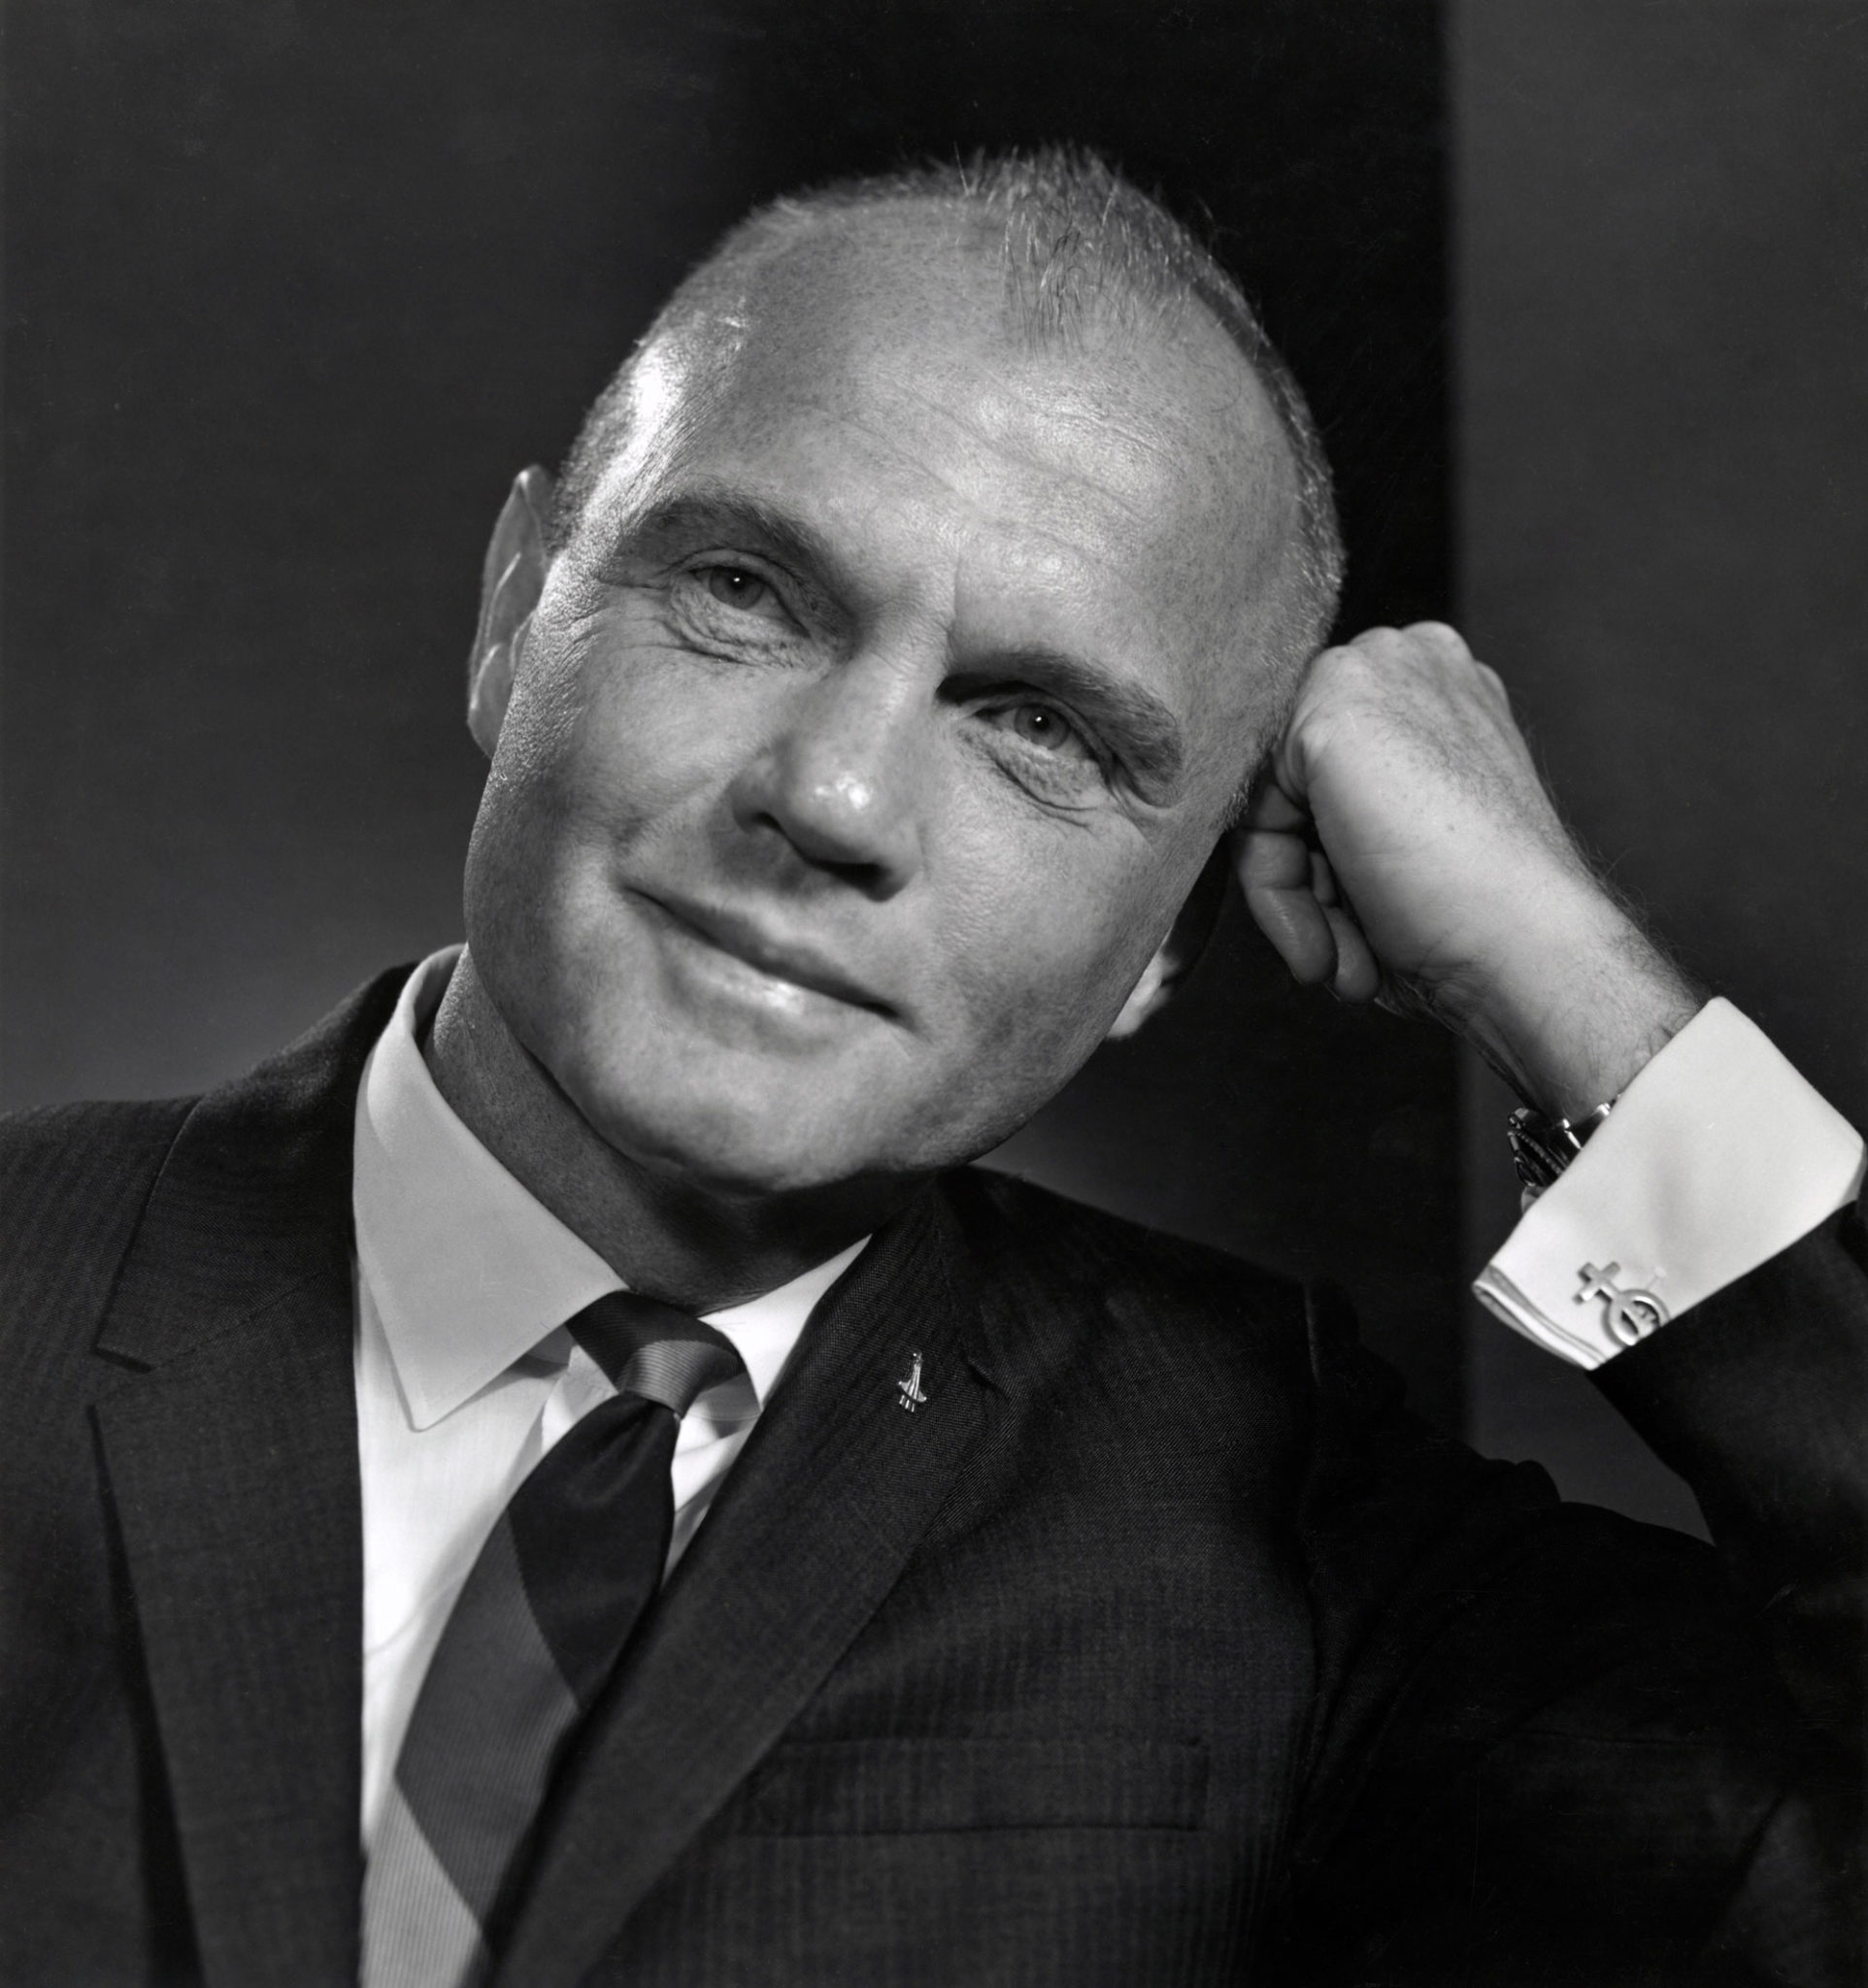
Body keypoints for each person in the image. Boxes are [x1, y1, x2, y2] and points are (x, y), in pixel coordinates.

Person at [0, 150, 1861, 1988]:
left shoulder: (1279, 1522)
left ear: (1169, 943)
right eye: (747, 590)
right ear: (514, 614)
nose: (834, 797)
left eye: (1040, 727)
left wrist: (1566, 973)